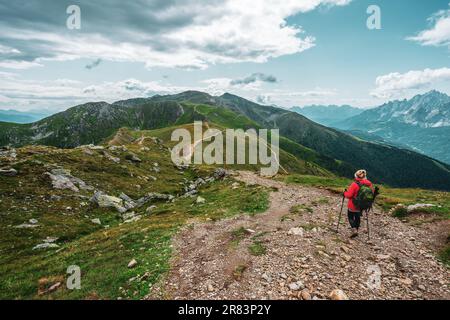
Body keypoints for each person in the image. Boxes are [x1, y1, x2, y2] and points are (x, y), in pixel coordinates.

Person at [344, 169, 373, 238]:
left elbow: (349, 195)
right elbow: (371, 193)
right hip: (363, 205)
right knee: (357, 217)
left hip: (353, 204)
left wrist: (345, 193)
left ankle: (354, 229)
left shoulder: (354, 184)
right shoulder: (369, 184)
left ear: (356, 176)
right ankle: (356, 229)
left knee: (350, 216)